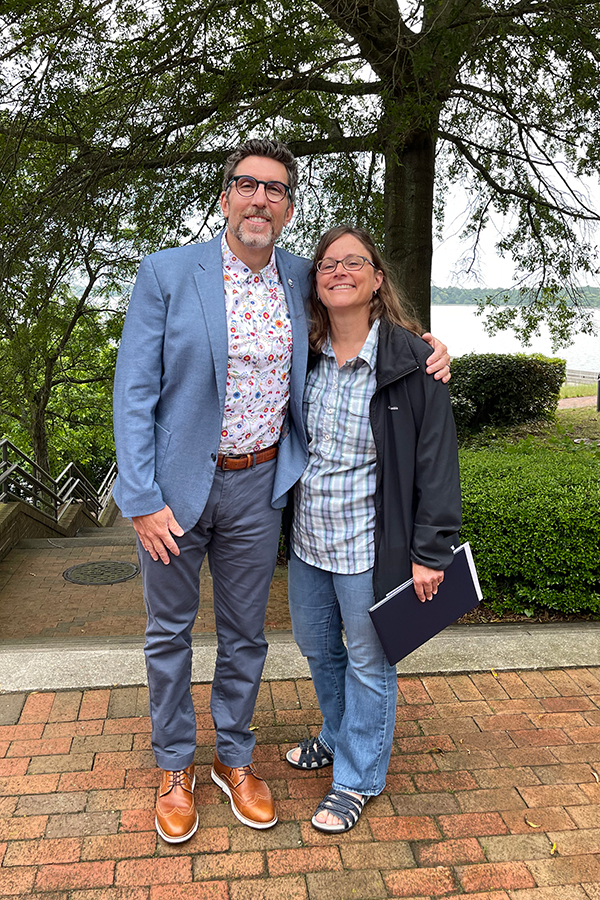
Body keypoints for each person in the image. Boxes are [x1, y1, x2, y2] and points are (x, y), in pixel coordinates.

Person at [113, 139, 451, 843]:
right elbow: (134, 390)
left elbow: (363, 307)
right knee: (169, 634)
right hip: (173, 494)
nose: (259, 199)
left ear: (290, 209)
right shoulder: (168, 273)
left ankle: (234, 759)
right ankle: (175, 767)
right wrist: (141, 498)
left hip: (262, 485)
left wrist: (427, 346)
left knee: (246, 637)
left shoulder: (302, 276)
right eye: (246, 185)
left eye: (274, 190)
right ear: (225, 197)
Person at [285, 225, 462, 833]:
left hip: (369, 545)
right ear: (315, 281)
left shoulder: (414, 362)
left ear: (377, 279)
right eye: (327, 263)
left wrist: (430, 552)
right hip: (309, 542)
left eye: (353, 262)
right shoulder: (300, 355)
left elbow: (437, 464)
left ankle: (357, 779)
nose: (339, 271)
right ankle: (337, 735)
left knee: (369, 660)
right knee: (317, 647)